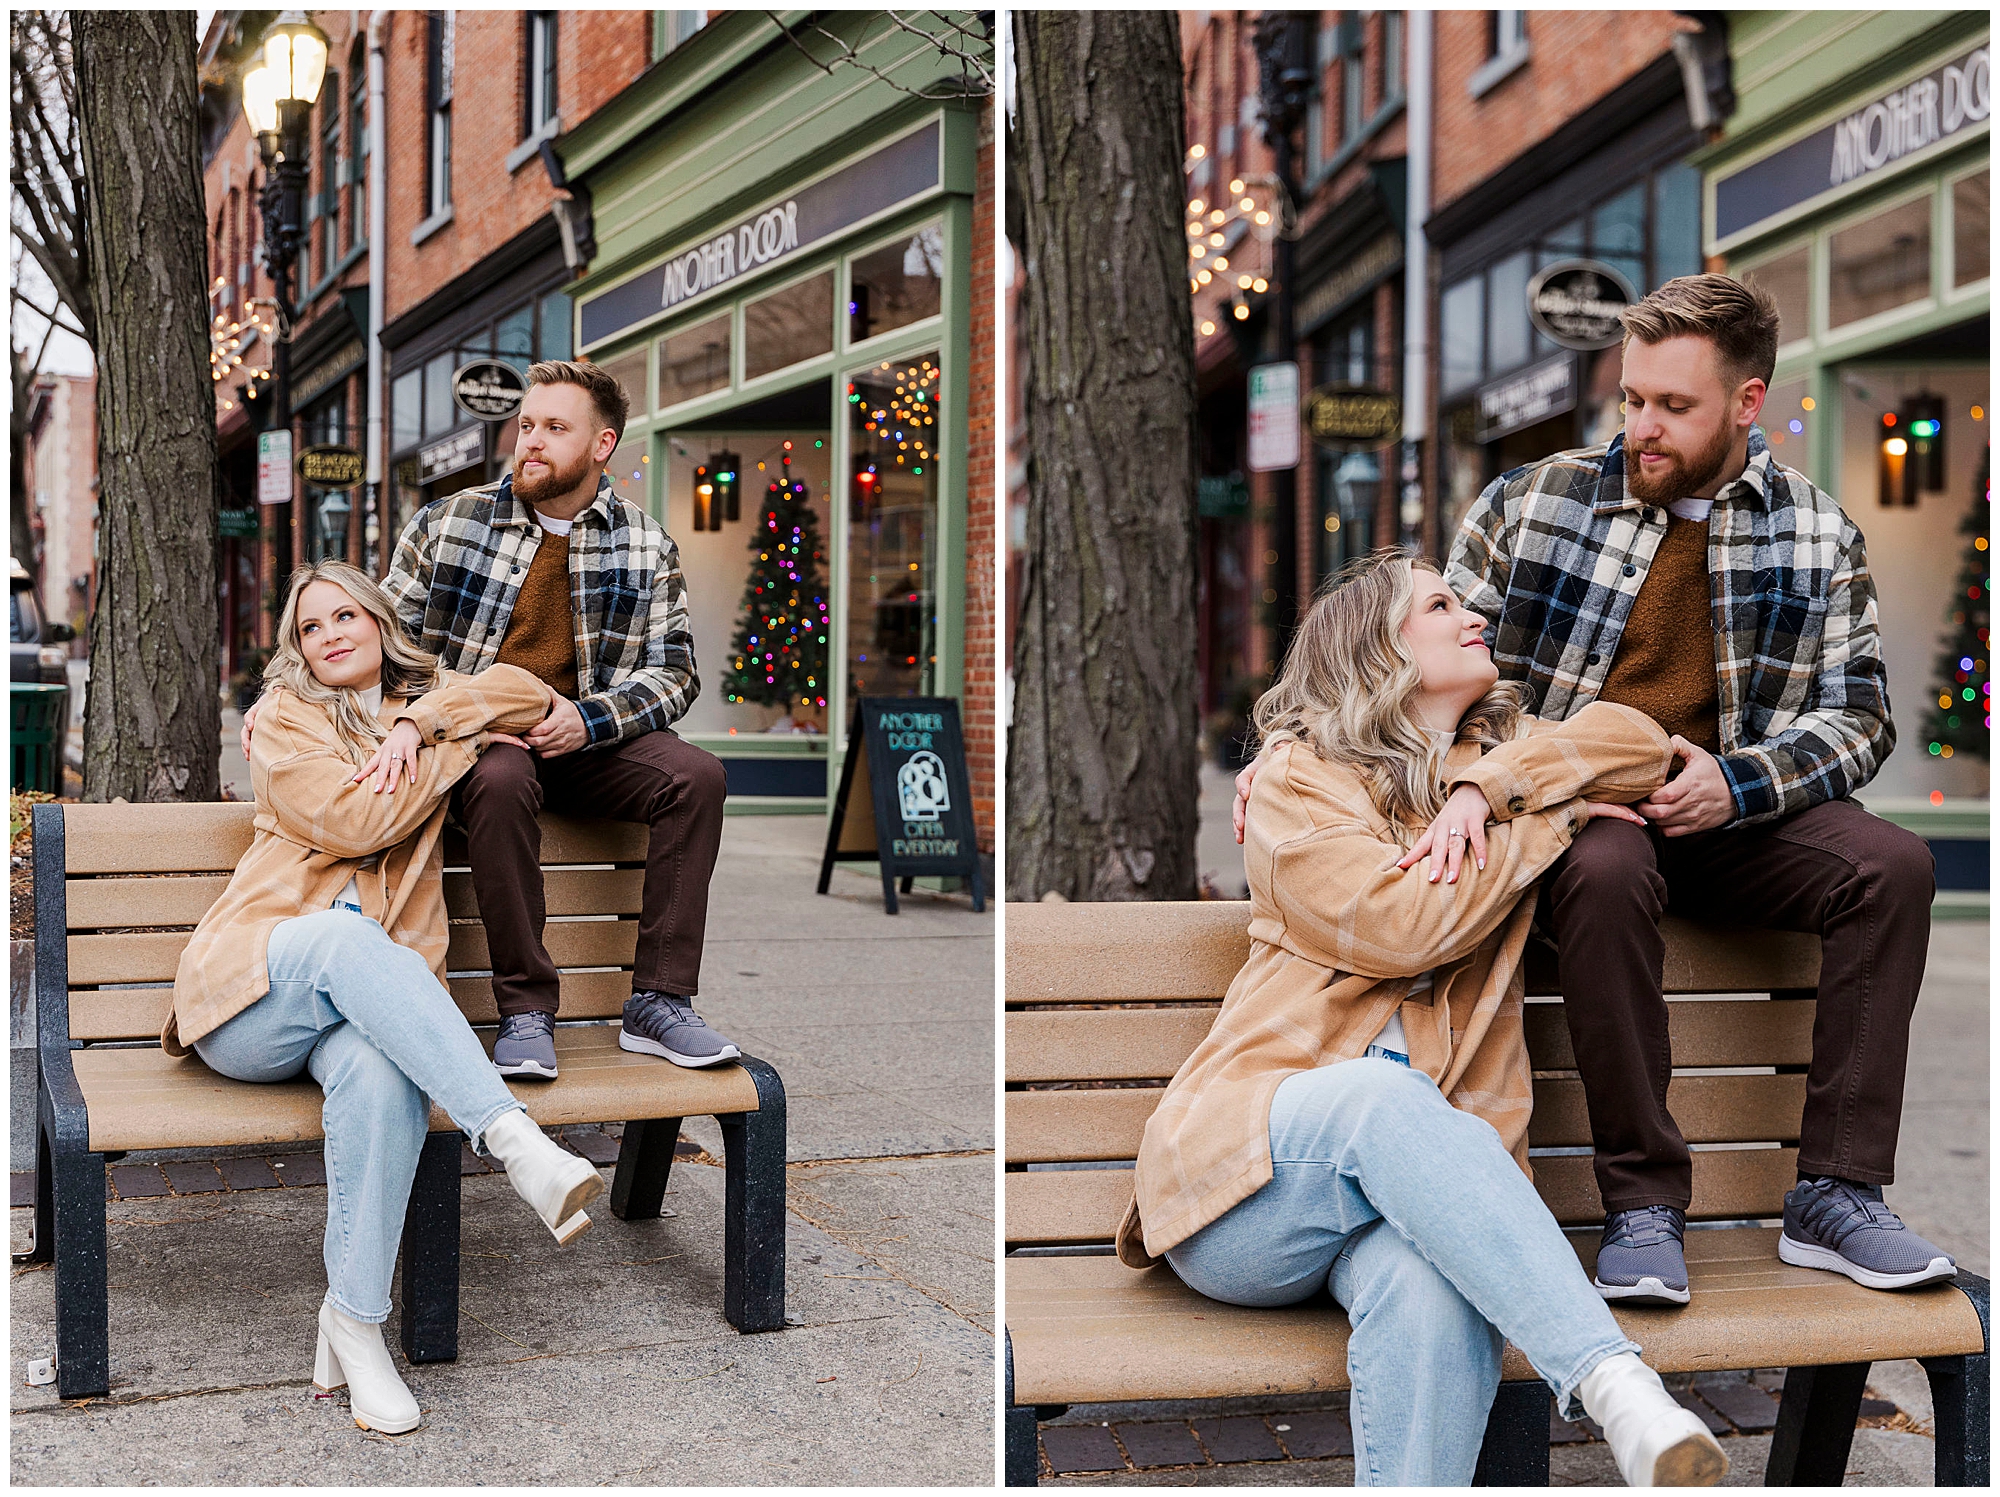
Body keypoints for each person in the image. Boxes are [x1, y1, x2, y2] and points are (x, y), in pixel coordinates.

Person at [1239, 274, 1952, 1308]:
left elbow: (1858, 717)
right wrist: (1294, 743)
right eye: (1630, 399)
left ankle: (1834, 1195)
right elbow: (1410, 648)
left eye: (1672, 406)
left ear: (1746, 404)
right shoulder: (1533, 502)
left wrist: (1734, 781)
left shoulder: (1815, 533)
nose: (1641, 428)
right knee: (1606, 867)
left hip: (1732, 816)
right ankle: (1642, 1207)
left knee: (1891, 864)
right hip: (1570, 811)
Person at [1133, 552, 1724, 1487]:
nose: (1472, 613)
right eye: (1442, 603)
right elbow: (1403, 925)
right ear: (1382, 651)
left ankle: (1603, 1411)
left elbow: (1638, 740)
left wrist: (1483, 793)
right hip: (1245, 1184)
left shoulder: (1499, 762)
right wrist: (1551, 813)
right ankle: (1617, 1386)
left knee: (1432, 1289)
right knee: (1380, 1093)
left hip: (1407, 1208)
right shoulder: (1299, 778)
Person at [172, 562, 608, 1436]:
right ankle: (514, 1139)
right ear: (298, 650)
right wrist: (460, 744)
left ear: (378, 620)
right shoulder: (284, 722)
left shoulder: (434, 695)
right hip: (256, 991)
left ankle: (355, 1323)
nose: (330, 633)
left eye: (345, 615)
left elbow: (525, 690)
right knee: (342, 939)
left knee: (379, 1075)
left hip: (364, 1013)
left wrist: (422, 719)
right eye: (309, 627)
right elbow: (357, 821)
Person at [247, 360, 735, 1081]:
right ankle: (526, 1011)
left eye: (554, 428)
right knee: (502, 776)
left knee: (696, 774)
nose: (531, 441)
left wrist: (588, 719)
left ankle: (659, 1001)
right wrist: (281, 689)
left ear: (602, 446)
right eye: (527, 424)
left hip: (587, 740)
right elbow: (369, 636)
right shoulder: (448, 524)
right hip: (477, 742)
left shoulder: (645, 543)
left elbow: (674, 672)